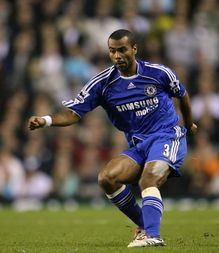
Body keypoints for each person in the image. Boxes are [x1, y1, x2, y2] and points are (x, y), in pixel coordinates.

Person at [28, 29, 197, 247]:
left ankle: (153, 236)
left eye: (122, 50)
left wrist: (189, 124)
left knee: (148, 180)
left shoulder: (159, 73)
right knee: (107, 178)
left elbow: (182, 95)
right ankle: (145, 225)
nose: (117, 56)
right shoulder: (103, 83)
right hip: (138, 145)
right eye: (112, 51)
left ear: (134, 49)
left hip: (167, 136)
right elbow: (73, 113)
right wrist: (46, 120)